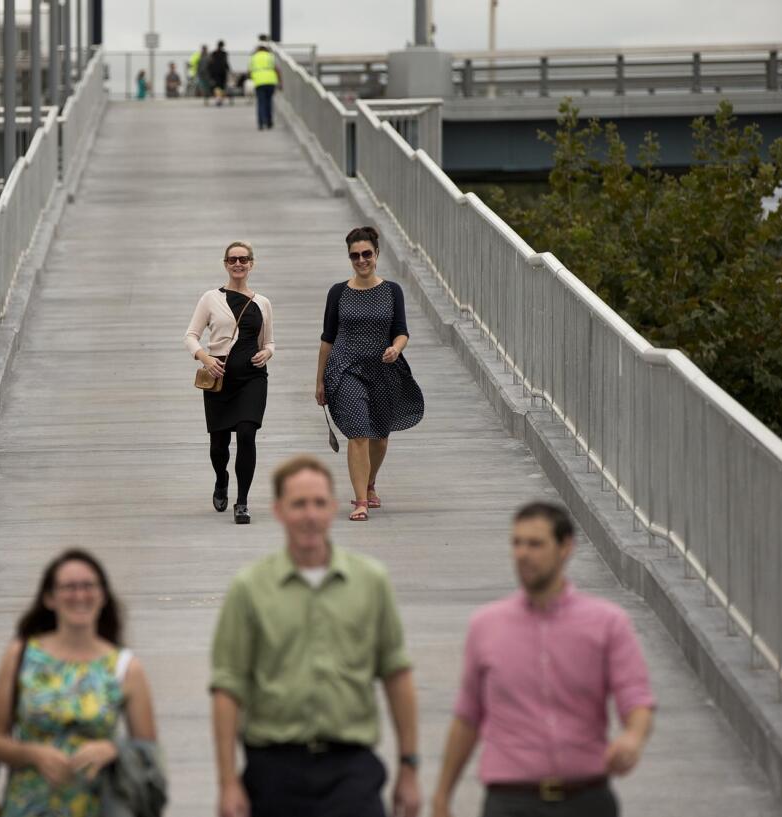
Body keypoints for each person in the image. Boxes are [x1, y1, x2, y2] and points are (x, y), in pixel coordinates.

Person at [210, 455, 422, 817]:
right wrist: (228, 781)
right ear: (278, 510)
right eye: (298, 504)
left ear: (333, 508)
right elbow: (228, 688)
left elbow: (396, 674)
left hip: (351, 770)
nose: (309, 515)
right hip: (274, 771)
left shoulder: (370, 582)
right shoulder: (250, 588)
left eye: (319, 503)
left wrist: (409, 766)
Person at [430, 502, 656, 817]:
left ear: (565, 548)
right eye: (517, 543)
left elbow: (636, 698)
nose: (523, 554)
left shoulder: (607, 623)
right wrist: (442, 796)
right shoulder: (486, 626)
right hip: (510, 801)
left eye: (535, 544)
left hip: (586, 798)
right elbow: (467, 716)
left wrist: (632, 737)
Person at [0, 549, 158, 817]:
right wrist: (33, 754)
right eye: (68, 588)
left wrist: (113, 749)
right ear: (49, 598)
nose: (79, 596)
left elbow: (147, 753)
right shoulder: (21, 656)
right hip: (29, 807)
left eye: (88, 586)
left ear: (102, 596)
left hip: (99, 806)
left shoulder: (125, 668)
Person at [315, 226, 424, 521]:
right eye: (355, 256)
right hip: (345, 368)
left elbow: (401, 332)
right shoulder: (338, 292)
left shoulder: (392, 291)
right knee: (359, 433)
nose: (361, 260)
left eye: (366, 254)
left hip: (383, 369)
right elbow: (327, 338)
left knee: (380, 438)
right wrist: (319, 380)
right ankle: (361, 500)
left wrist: (396, 348)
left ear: (377, 254)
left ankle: (370, 481)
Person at [184, 241, 275, 524]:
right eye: (233, 259)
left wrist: (267, 352)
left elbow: (269, 340)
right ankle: (221, 479)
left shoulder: (262, 302)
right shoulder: (211, 298)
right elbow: (190, 335)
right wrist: (205, 358)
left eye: (244, 259)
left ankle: (242, 502)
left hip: (253, 377)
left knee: (247, 434)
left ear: (252, 264)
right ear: (225, 263)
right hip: (219, 378)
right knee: (219, 445)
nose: (238, 264)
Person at [248, 43, 280, 129]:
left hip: (259, 82)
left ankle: (261, 123)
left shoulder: (253, 57)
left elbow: (249, 71)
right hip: (270, 81)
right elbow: (276, 69)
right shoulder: (270, 56)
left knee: (261, 102)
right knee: (269, 102)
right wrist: (280, 82)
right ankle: (269, 122)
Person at [208, 41, 230, 106]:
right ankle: (220, 99)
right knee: (222, 86)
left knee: (217, 87)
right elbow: (226, 63)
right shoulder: (224, 53)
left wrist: (210, 72)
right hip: (222, 72)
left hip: (215, 73)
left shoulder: (213, 53)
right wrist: (228, 70)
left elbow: (210, 63)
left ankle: (218, 99)